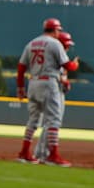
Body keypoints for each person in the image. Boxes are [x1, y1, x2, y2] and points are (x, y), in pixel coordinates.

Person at [17, 17, 77, 166]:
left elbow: (21, 67)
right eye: (58, 30)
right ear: (55, 30)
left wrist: (20, 87)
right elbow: (67, 65)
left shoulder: (31, 43)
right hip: (49, 82)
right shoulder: (55, 43)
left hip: (33, 82)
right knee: (53, 120)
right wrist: (75, 65)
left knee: (33, 120)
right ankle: (53, 155)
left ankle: (24, 152)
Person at [33, 30, 75, 163]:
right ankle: (44, 154)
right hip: (53, 92)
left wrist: (66, 83)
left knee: (50, 123)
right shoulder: (58, 58)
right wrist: (65, 81)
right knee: (52, 122)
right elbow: (59, 77)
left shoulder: (56, 56)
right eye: (66, 45)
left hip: (55, 91)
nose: (68, 47)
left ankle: (41, 153)